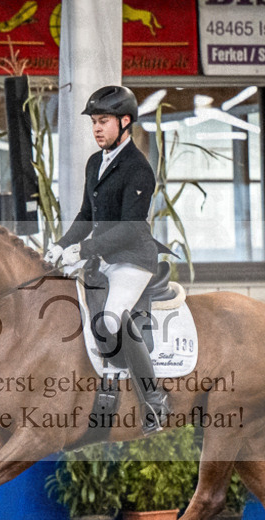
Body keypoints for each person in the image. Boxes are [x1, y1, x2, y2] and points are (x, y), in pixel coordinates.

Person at [43, 85, 172, 434]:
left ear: (125, 121)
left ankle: (155, 401)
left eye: (103, 121)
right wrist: (61, 244)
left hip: (133, 258)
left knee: (112, 319)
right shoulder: (94, 163)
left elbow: (130, 228)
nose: (97, 128)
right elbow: (86, 215)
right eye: (94, 122)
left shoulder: (139, 168)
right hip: (103, 258)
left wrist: (84, 250)